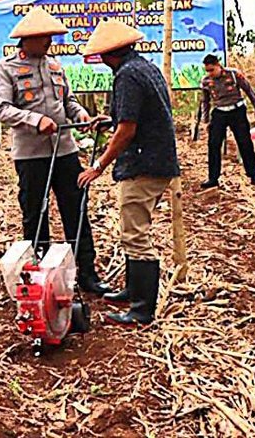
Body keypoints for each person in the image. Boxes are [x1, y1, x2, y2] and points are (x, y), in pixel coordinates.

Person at [0, 7, 108, 294]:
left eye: (51, 37)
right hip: (31, 155)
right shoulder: (5, 68)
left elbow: (68, 102)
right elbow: (2, 109)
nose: (49, 43)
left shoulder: (55, 66)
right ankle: (41, 275)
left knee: (76, 208)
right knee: (35, 213)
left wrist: (81, 116)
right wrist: (35, 120)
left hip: (65, 150)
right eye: (44, 37)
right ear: (27, 39)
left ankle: (87, 272)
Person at [77, 19, 180, 326]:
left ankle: (142, 309)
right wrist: (109, 120)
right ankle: (133, 290)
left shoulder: (127, 76)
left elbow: (128, 130)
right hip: (157, 160)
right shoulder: (145, 68)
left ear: (108, 54)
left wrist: (98, 165)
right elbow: (137, 116)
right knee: (133, 231)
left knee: (135, 234)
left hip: (142, 165)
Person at [199, 53, 255, 189]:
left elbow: (248, 90)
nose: (210, 73)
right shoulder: (206, 82)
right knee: (214, 144)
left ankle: (254, 176)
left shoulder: (234, 74)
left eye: (212, 70)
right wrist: (206, 121)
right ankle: (213, 178)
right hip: (219, 113)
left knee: (244, 142)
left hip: (237, 111)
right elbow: (205, 102)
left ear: (218, 65)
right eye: (207, 71)